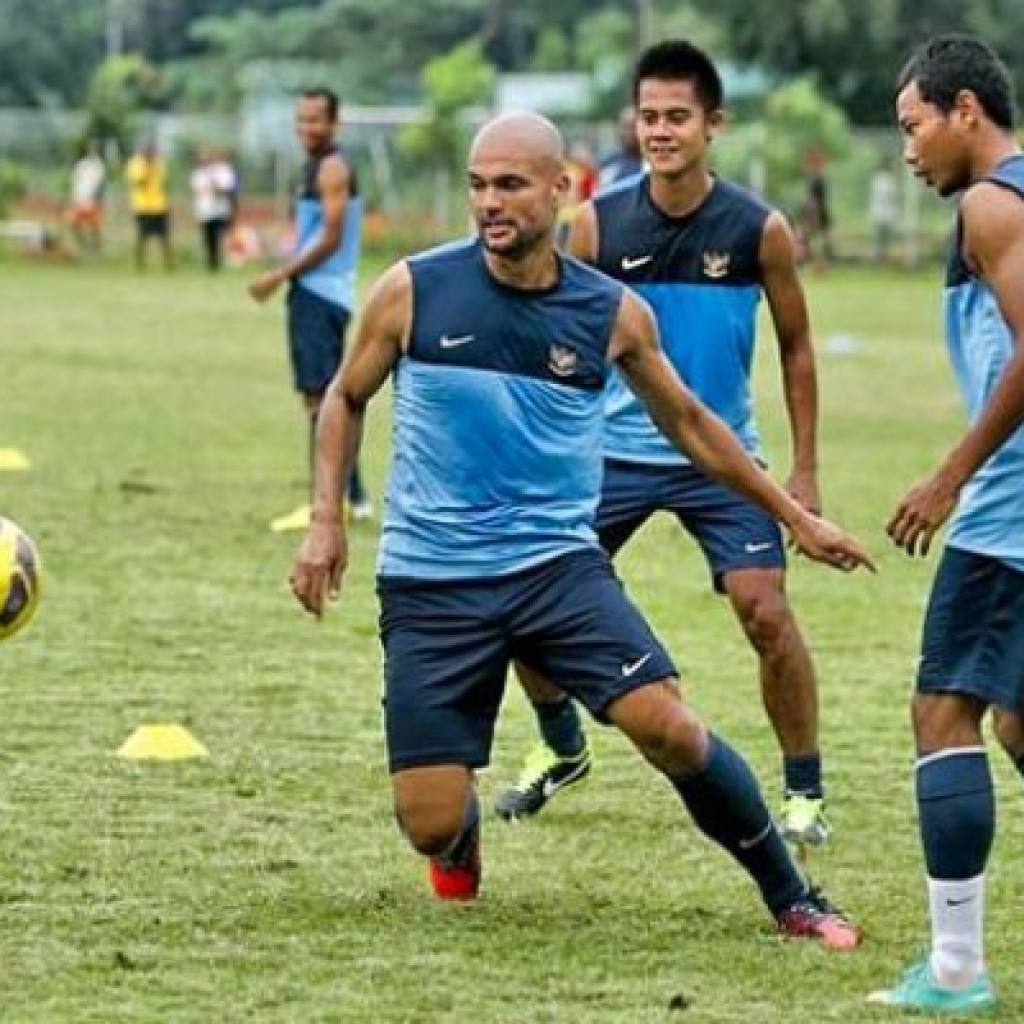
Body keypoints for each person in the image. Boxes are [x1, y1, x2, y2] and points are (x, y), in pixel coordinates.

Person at [289, 110, 874, 948]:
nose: (491, 203)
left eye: (512, 185)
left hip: (555, 569)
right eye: (479, 185)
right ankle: (461, 831)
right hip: (432, 578)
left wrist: (795, 515)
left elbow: (696, 425)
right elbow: (344, 396)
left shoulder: (610, 313)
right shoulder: (414, 288)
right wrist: (323, 522)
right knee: (428, 821)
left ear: (562, 191)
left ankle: (794, 895)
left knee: (667, 723)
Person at [495, 40, 832, 850]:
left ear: (712, 124)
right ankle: (560, 745)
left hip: (719, 457)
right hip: (607, 456)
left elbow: (796, 348)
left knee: (765, 610)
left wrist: (804, 468)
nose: (659, 131)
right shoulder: (598, 222)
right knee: (520, 597)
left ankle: (806, 793)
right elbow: (555, 338)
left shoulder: (760, 229)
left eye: (676, 117)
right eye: (648, 116)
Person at [867, 35, 1024, 1014]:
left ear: (964, 109)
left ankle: (957, 970)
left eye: (912, 124)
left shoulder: (991, 203)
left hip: (1009, 515)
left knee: (944, 712)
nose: (908, 149)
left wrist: (947, 476)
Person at [248, 88, 372, 530]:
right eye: (300, 120)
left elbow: (333, 237)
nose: (306, 128)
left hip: (320, 293)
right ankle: (353, 495)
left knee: (322, 398)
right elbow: (312, 230)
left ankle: (326, 502)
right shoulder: (314, 166)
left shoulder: (333, 168)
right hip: (316, 290)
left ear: (334, 124)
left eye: (315, 120)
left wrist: (278, 275)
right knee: (321, 397)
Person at [125, 141, 172, 270]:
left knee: (164, 236)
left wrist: (167, 201)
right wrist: (148, 169)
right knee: (142, 236)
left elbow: (164, 182)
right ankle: (140, 264)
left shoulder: (160, 163)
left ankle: (168, 264)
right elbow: (137, 182)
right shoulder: (135, 163)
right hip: (142, 206)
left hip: (159, 205)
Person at [190, 148, 237, 272]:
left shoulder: (224, 171)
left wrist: (212, 180)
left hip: (220, 211)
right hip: (205, 211)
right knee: (208, 238)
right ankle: (212, 264)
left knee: (222, 237)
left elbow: (224, 189)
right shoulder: (198, 173)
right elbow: (197, 191)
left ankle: (227, 261)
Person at [67, 140, 106, 253]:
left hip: (92, 199)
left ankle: (96, 249)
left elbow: (99, 184)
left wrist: (97, 199)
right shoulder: (81, 164)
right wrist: (73, 196)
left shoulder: (99, 165)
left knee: (95, 226)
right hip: (79, 198)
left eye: (94, 148)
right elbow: (75, 181)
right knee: (73, 223)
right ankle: (83, 246)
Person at [800, 148, 833, 271]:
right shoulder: (816, 178)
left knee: (814, 241)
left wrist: (813, 216)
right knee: (814, 240)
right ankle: (817, 265)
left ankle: (818, 265)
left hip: (816, 213)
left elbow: (812, 200)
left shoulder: (815, 179)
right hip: (817, 212)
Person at [597, 105, 644, 190]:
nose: (629, 132)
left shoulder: (655, 166)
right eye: (625, 126)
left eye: (633, 126)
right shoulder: (608, 164)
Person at [869, 156, 899, 264]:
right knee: (882, 238)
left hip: (883, 213)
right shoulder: (885, 179)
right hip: (884, 213)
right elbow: (888, 196)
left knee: (883, 238)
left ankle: (881, 257)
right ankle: (880, 258)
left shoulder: (880, 179)